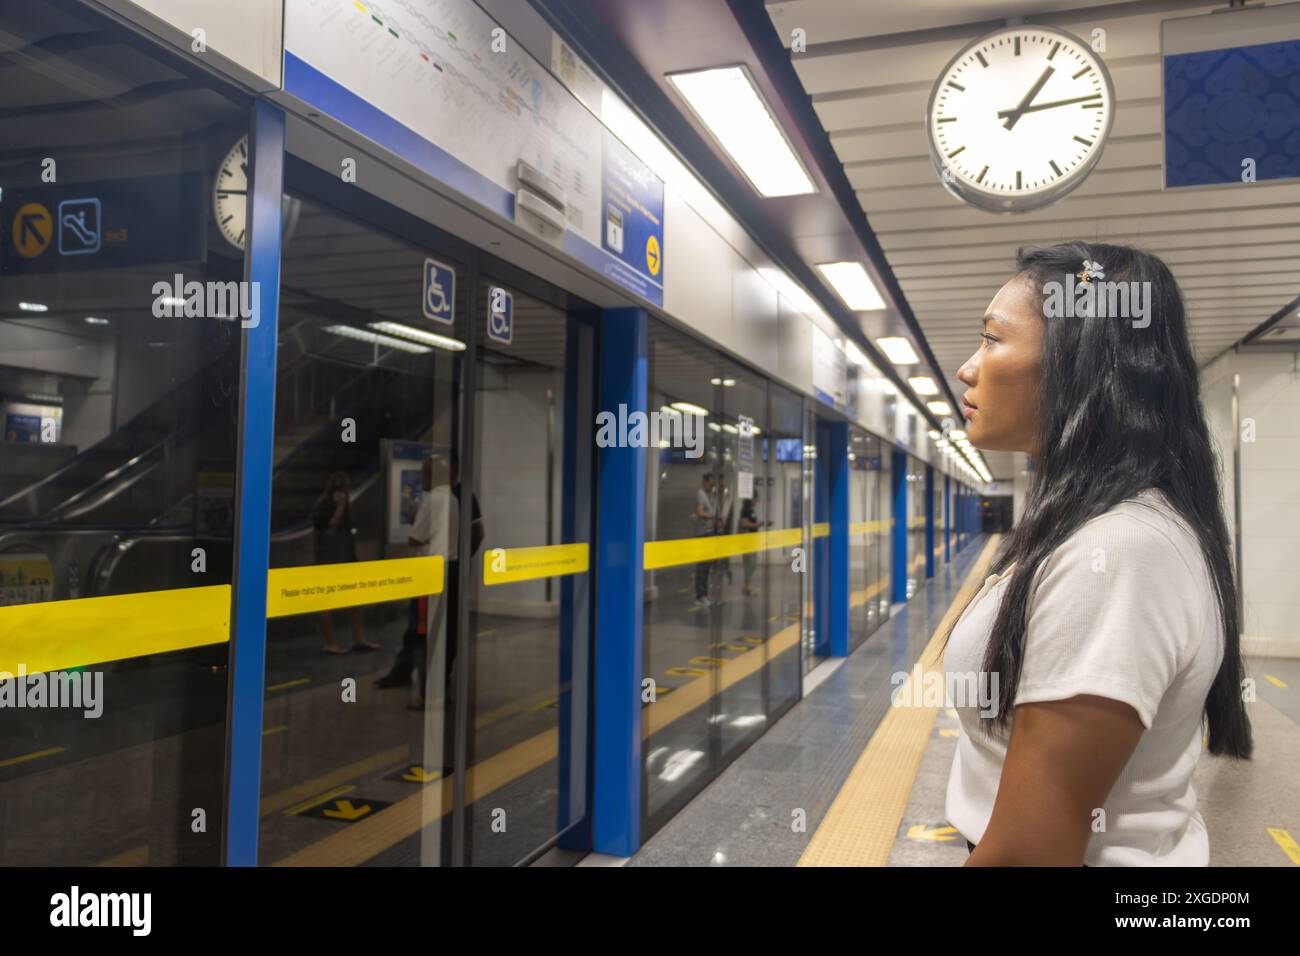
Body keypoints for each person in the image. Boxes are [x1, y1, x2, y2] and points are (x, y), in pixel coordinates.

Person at [941, 242, 1252, 867]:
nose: (967, 369)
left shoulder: (1116, 552)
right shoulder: (1090, 526)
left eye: (993, 339)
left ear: (1077, 363)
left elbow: (1030, 854)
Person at [311, 471, 379, 653]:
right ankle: (330, 642)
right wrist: (339, 509)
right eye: (341, 490)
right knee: (327, 603)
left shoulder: (346, 507)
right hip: (328, 560)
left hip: (346, 558)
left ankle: (359, 638)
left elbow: (349, 534)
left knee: (353, 601)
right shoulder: (323, 507)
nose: (344, 494)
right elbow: (329, 531)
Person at [692, 472, 716, 606]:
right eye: (711, 483)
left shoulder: (708, 495)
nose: (712, 486)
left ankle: (705, 595)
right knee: (702, 567)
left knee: (707, 567)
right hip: (702, 534)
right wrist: (711, 516)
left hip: (708, 533)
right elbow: (699, 512)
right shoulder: (701, 494)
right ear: (705, 481)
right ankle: (700, 596)